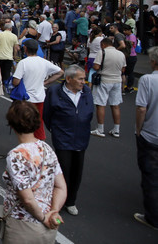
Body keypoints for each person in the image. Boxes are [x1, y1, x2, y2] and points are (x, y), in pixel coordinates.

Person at [2, 101, 66, 244]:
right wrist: (53, 212)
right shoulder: (47, 148)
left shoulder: (16, 155)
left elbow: (28, 199)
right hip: (49, 226)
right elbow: (61, 186)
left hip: (23, 225)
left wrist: (43, 219)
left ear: (12, 125)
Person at [43, 65, 93, 216]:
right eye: (80, 79)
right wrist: (56, 130)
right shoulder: (54, 91)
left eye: (84, 79)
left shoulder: (87, 92)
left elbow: (89, 111)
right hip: (63, 138)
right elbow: (47, 114)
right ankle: (58, 199)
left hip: (81, 138)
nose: (83, 82)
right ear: (69, 79)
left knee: (77, 171)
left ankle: (71, 201)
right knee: (63, 170)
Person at [11, 39, 63, 141]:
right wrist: (46, 82)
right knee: (38, 123)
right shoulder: (44, 62)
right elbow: (60, 72)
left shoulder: (23, 63)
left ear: (25, 49)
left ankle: (27, 145)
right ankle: (39, 146)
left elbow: (15, 82)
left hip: (26, 99)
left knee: (24, 124)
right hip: (40, 98)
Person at [135, 46, 158, 230]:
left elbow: (141, 108)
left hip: (151, 134)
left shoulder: (148, 80)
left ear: (153, 61)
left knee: (150, 177)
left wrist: (138, 129)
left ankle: (152, 217)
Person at [90, 37, 126, 138]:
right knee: (115, 105)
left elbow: (96, 67)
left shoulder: (102, 52)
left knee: (100, 104)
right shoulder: (121, 54)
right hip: (117, 81)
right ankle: (116, 129)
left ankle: (100, 129)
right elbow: (123, 69)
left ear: (103, 44)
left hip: (104, 80)